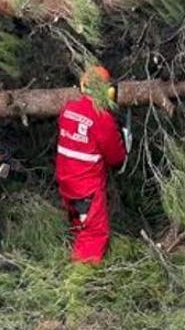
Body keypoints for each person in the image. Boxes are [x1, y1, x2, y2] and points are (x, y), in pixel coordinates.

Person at [55, 66, 127, 264]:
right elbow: (115, 158)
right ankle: (82, 280)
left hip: (66, 182)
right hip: (87, 186)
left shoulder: (69, 109)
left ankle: (76, 265)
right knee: (94, 234)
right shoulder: (102, 118)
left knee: (79, 226)